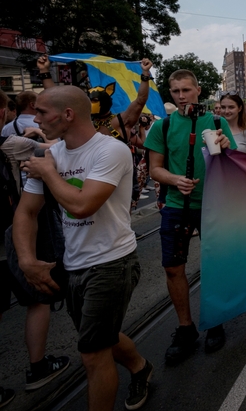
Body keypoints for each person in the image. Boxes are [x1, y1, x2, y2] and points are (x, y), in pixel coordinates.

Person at [15, 85, 151, 410]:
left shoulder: (111, 150)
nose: (35, 119)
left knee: (92, 353)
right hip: (73, 264)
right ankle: (139, 367)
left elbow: (82, 206)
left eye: (42, 112)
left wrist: (49, 173)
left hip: (112, 263)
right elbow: (26, 212)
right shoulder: (50, 156)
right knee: (102, 337)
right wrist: (26, 261)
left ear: (67, 115)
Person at [144, 70, 235, 364]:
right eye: (175, 91)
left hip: (213, 205)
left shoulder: (218, 123)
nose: (181, 96)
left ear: (198, 90)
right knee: (173, 268)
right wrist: (173, 179)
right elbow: (154, 168)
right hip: (175, 205)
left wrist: (225, 148)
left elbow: (234, 165)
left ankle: (215, 320)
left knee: (215, 265)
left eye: (186, 90)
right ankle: (186, 328)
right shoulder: (164, 126)